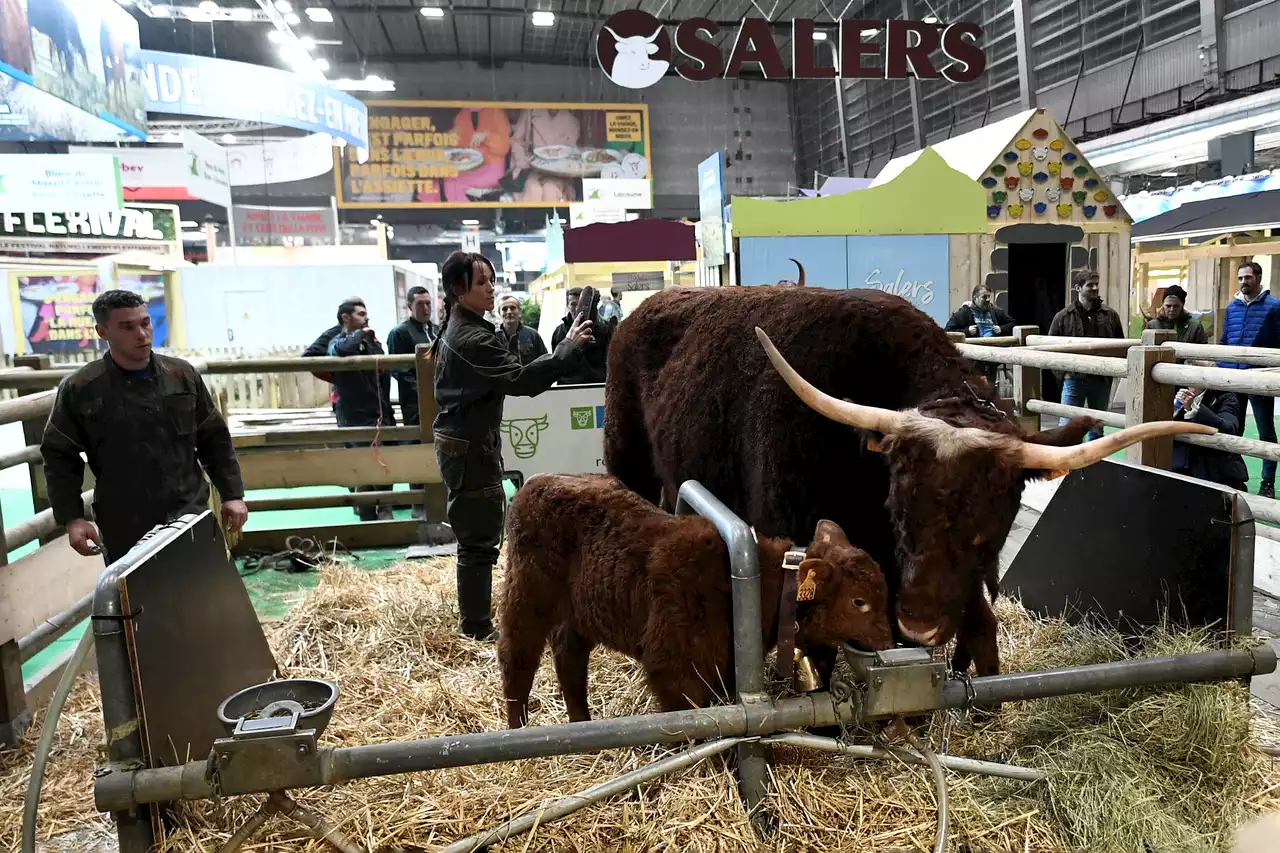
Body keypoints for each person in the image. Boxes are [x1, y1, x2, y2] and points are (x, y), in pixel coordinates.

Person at [432, 251, 593, 640]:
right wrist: (565, 350)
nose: (490, 288)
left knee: (478, 535)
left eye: (491, 280)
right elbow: (521, 380)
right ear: (458, 289)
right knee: (478, 541)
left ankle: (476, 621)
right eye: (481, 282)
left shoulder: (464, 326)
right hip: (470, 446)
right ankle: (476, 628)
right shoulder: (470, 338)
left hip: (465, 440)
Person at [40, 290, 248, 564]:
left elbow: (213, 437)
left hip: (189, 511)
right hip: (125, 522)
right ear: (102, 332)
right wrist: (73, 518)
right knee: (140, 601)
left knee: (200, 594)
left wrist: (233, 494)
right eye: (127, 326)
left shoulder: (181, 376)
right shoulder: (82, 389)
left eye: (145, 323)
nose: (142, 334)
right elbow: (59, 454)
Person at [328, 299, 397, 521]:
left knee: (384, 461)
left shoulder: (370, 341)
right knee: (363, 464)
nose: (367, 318)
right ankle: (367, 515)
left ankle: (386, 511)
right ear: (346, 318)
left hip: (378, 412)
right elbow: (343, 350)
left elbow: (383, 365)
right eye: (361, 314)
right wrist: (362, 334)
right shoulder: (336, 342)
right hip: (354, 416)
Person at [1218, 261, 1280, 497]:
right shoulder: (1232, 307)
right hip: (1232, 378)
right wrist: (1221, 371)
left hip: (1260, 379)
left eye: (1248, 277)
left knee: (1266, 431)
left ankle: (1267, 483)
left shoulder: (1274, 307)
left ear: (1258, 278)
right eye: (1241, 278)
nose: (1244, 282)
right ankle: (1233, 477)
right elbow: (1224, 341)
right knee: (1233, 429)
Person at [1048, 270, 1125, 441]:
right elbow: (1048, 350)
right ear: (1077, 288)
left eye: (1097, 284)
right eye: (1090, 285)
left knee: (1097, 428)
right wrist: (1063, 374)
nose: (1095, 288)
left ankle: (1095, 466)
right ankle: (1064, 465)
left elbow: (1121, 345)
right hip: (1074, 378)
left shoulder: (1111, 315)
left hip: (1101, 379)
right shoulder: (1062, 317)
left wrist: (1113, 371)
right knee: (1066, 426)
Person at [386, 286, 436, 520]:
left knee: (437, 447)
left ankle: (437, 498)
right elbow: (399, 370)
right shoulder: (400, 333)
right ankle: (417, 502)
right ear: (409, 306)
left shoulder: (434, 330)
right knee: (416, 445)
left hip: (439, 400)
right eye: (420, 304)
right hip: (414, 403)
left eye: (428, 303)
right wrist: (424, 391)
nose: (425, 308)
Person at [1172, 360, 1249, 493]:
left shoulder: (1225, 396)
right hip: (1179, 469)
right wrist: (1175, 409)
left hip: (1214, 471)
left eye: (1197, 375)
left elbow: (1230, 427)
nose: (1191, 381)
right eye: (1188, 375)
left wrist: (1196, 410)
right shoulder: (1173, 392)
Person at [946, 284, 1015, 387]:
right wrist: (967, 331)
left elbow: (1012, 323)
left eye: (988, 297)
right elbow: (948, 331)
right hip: (973, 359)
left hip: (992, 356)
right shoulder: (963, 313)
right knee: (976, 388)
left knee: (990, 388)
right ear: (975, 298)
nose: (987, 300)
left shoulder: (995, 311)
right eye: (984, 297)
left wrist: (1002, 329)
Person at [550, 287, 612, 385]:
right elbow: (555, 365)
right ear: (567, 306)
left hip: (596, 386)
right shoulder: (559, 332)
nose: (577, 309)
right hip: (567, 389)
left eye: (580, 304)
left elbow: (609, 362)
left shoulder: (603, 331)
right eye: (573, 304)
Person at [495, 295, 547, 365]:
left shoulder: (533, 335)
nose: (509, 312)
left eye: (513, 308)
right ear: (499, 313)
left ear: (519, 311)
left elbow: (545, 361)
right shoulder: (493, 337)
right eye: (504, 309)